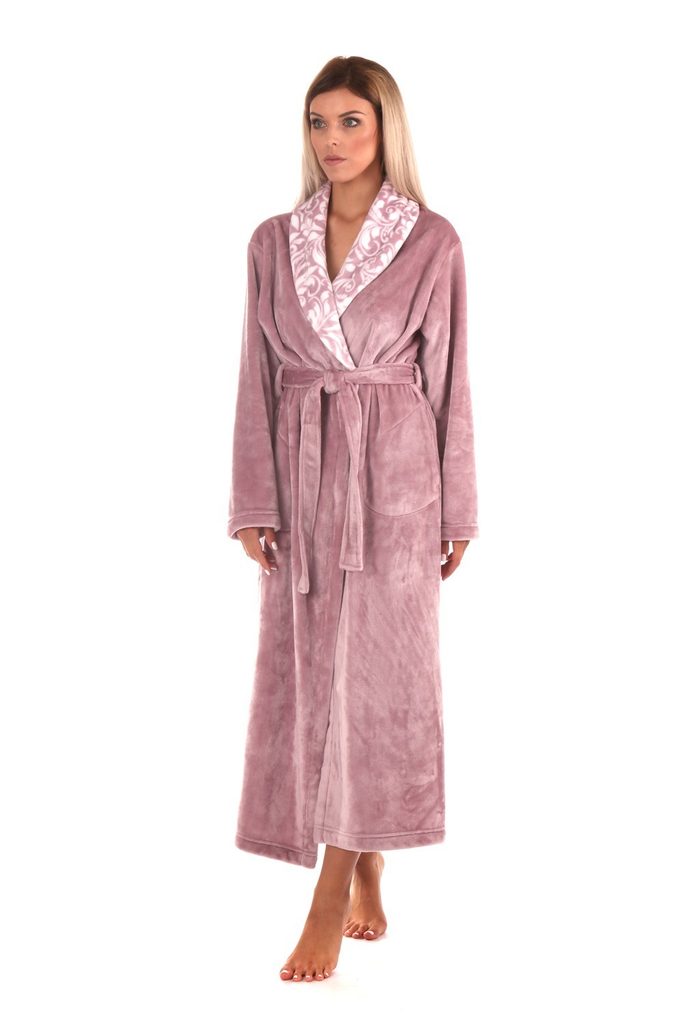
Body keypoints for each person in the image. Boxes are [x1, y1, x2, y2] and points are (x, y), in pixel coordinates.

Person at [227, 55, 479, 982]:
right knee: (311, 679)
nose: (331, 140)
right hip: (302, 474)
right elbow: (255, 375)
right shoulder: (272, 241)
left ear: (385, 129)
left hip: (396, 480)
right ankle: (364, 856)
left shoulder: (432, 241)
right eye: (317, 122)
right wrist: (252, 498)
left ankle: (330, 890)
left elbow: (449, 377)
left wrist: (457, 504)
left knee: (378, 683)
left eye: (350, 122)